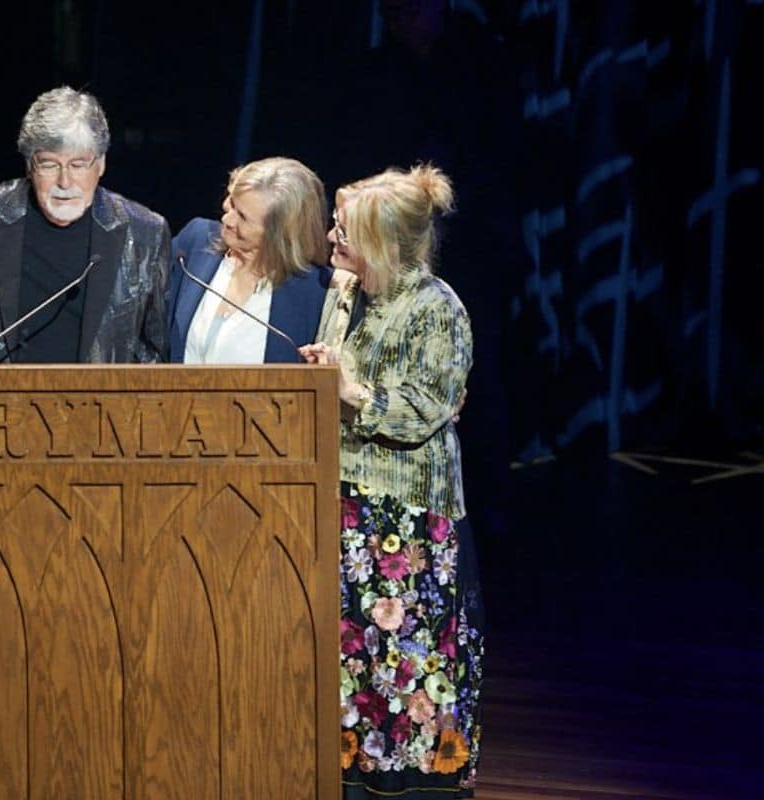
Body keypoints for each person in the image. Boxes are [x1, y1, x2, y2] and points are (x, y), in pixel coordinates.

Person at [298, 164, 482, 798]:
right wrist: (325, 370)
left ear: (380, 242)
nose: (330, 239)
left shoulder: (437, 308)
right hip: (342, 501)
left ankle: (408, 788)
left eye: (344, 231)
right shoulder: (346, 293)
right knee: (351, 662)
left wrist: (349, 390)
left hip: (404, 520)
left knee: (402, 668)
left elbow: (424, 409)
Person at [0, 85, 170, 363]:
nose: (65, 181)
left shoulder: (145, 233)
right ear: (29, 165)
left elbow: (154, 354)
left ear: (101, 164)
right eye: (49, 164)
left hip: (102, 407)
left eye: (78, 164)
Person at [169, 156, 331, 363]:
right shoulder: (195, 243)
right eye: (232, 204)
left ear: (281, 234)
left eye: (243, 217)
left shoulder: (314, 291)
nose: (227, 219)